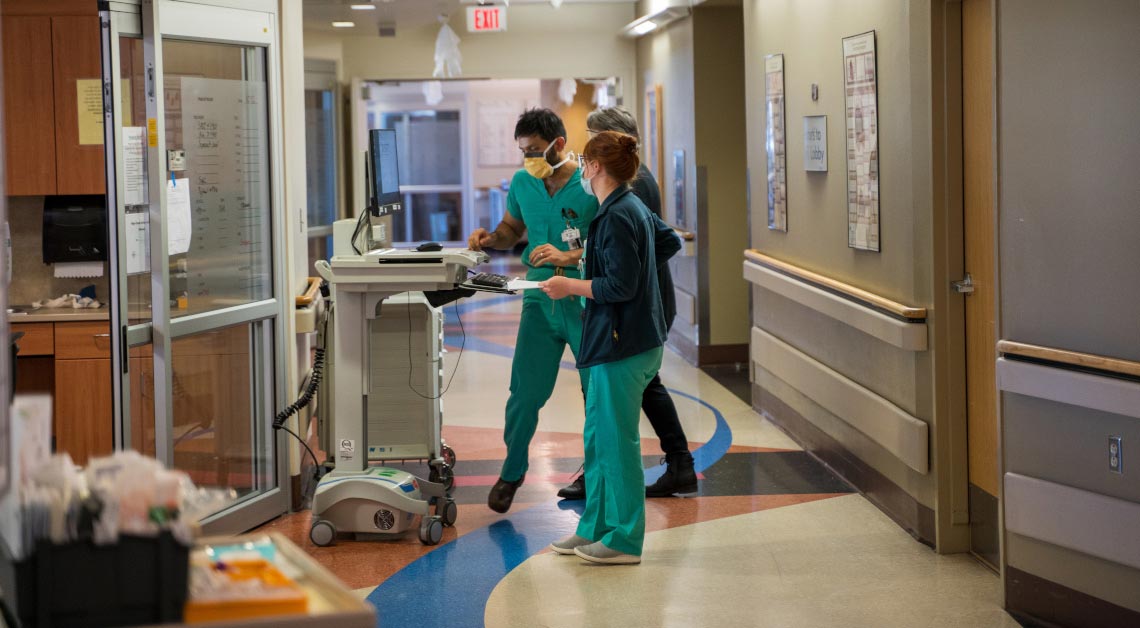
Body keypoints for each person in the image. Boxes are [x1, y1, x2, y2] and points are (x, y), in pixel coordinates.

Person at [539, 131, 672, 565]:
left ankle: (625, 539)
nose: (580, 167)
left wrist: (569, 285)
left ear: (595, 167)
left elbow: (620, 284)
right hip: (615, 341)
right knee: (598, 440)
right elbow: (664, 242)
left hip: (624, 345)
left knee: (618, 444)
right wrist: (589, 261)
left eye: (584, 161)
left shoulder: (617, 214)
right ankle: (594, 526)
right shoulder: (622, 208)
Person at [466, 108, 597, 513]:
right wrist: (490, 238)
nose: (529, 159)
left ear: (559, 144)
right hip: (539, 297)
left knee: (596, 391)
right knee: (524, 393)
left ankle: (596, 474)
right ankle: (512, 470)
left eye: (536, 150)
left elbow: (609, 244)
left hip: (583, 297)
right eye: (524, 151)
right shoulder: (524, 182)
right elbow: (511, 230)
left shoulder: (590, 184)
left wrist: (569, 253)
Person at [562, 106, 696, 499]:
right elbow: (663, 240)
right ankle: (676, 462)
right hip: (641, 301)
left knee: (618, 393)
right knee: (646, 385)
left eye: (590, 143)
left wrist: (618, 276)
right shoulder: (634, 184)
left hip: (633, 308)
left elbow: (642, 250)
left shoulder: (629, 192)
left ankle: (604, 474)